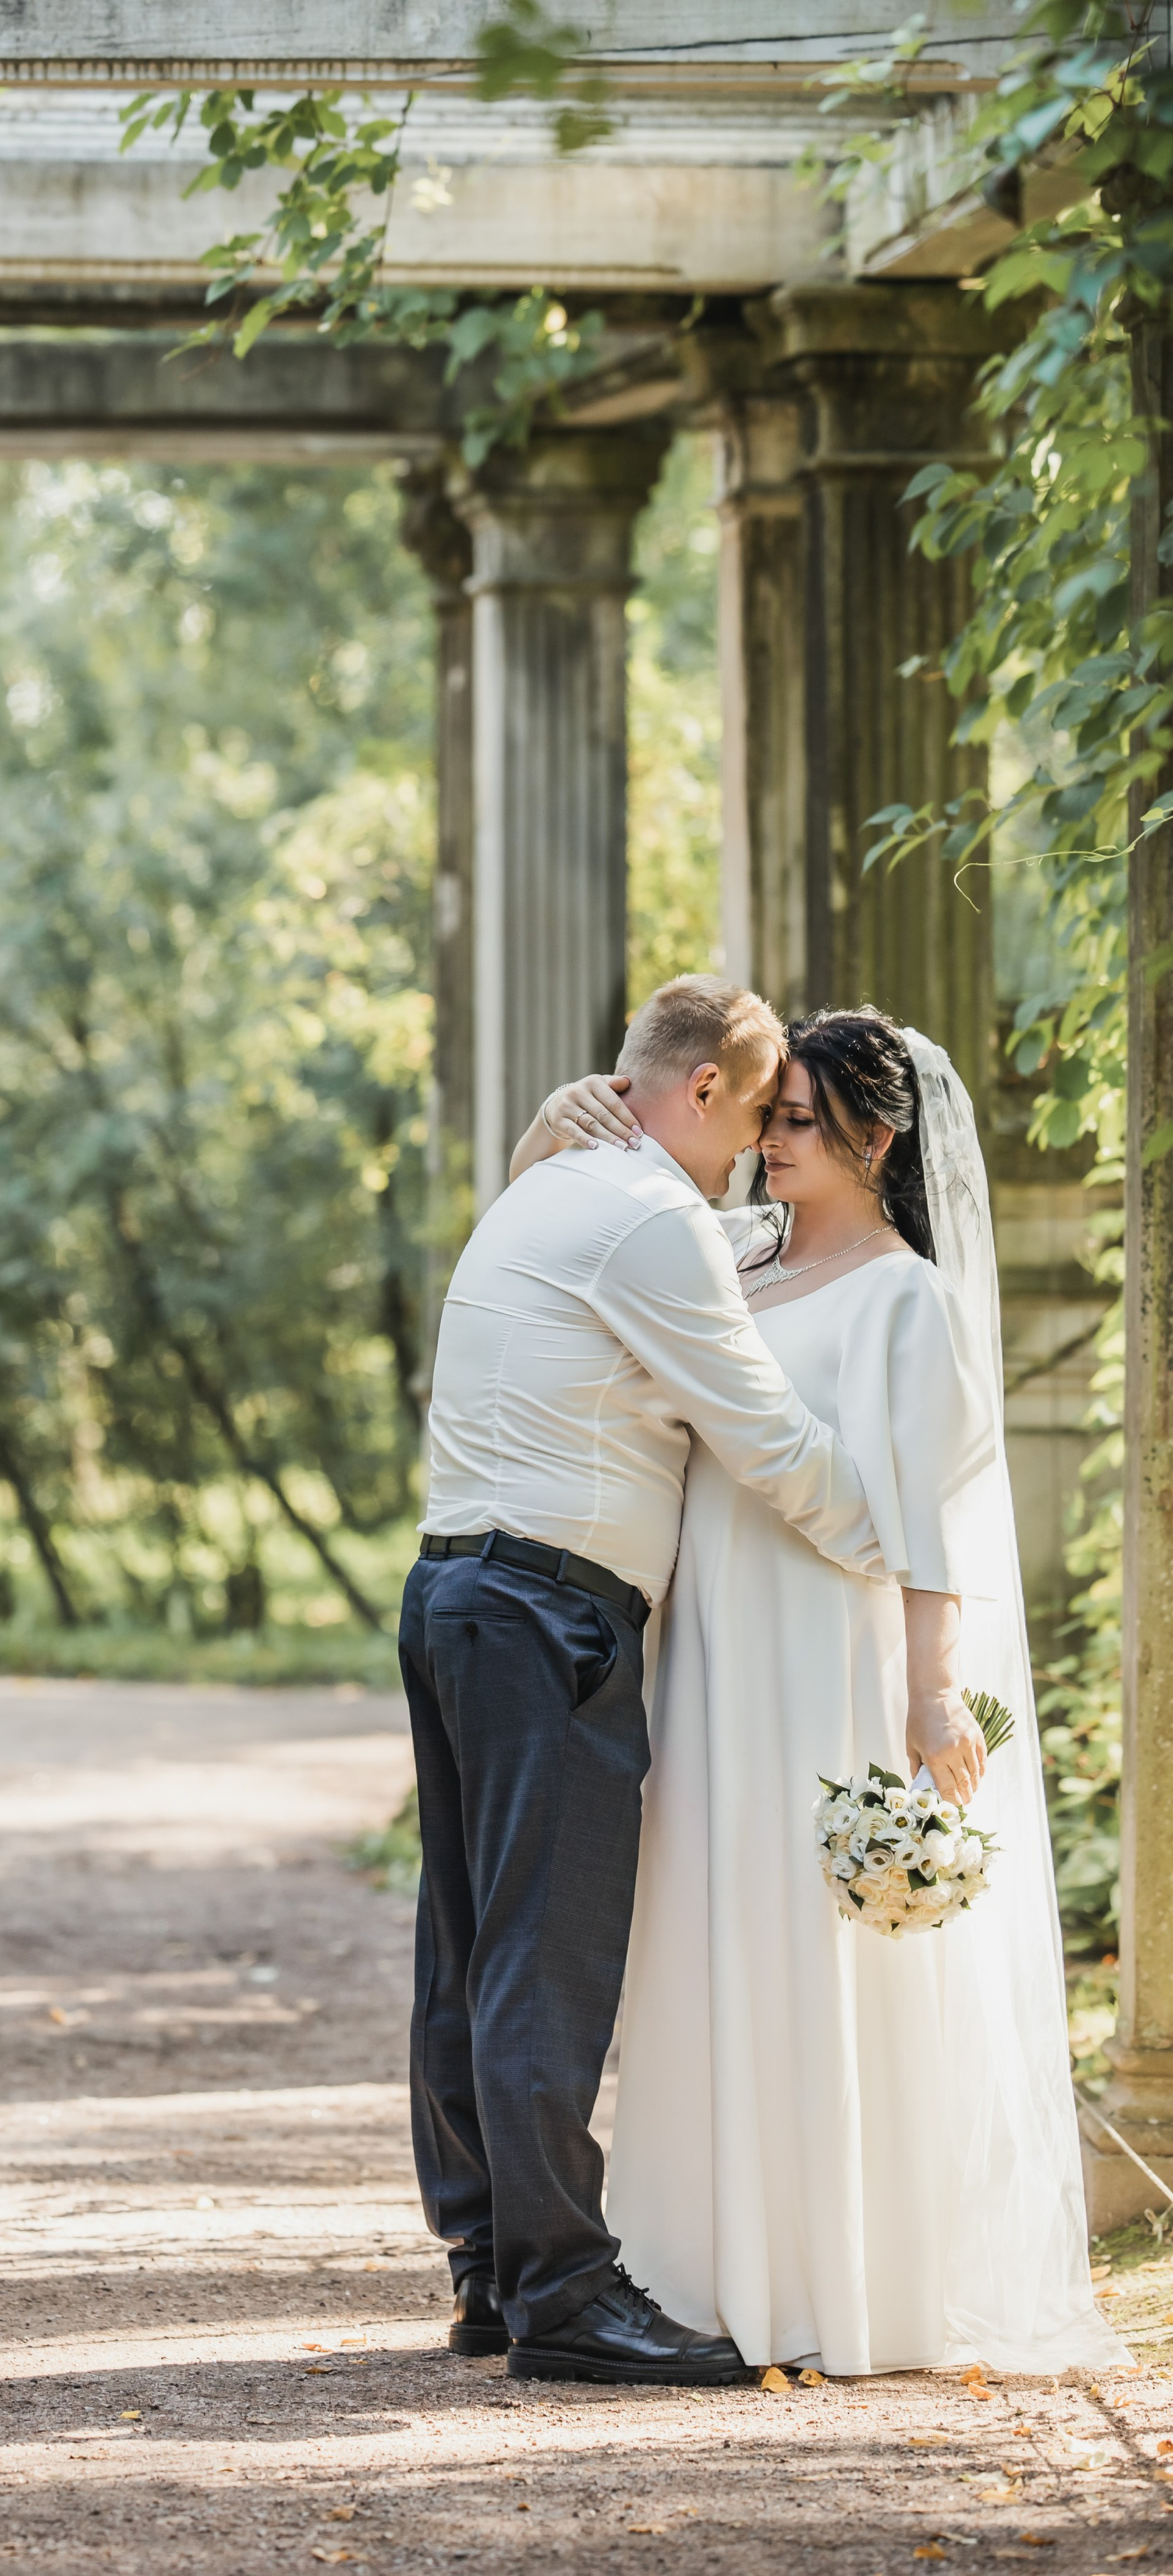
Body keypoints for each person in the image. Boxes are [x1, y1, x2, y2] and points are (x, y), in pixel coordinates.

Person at [539, 1009, 1122, 2374]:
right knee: (699, 1927)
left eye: (800, 1118)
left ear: (878, 1135)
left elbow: (929, 1520)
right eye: (771, 1112)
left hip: (824, 1665)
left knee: (811, 1953)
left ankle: (833, 2279)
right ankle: (694, 2268)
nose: (772, 1138)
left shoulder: (906, 1298)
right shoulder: (728, 1259)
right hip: (706, 1656)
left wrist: (933, 1700)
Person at [405, 974, 890, 2388]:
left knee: (470, 1947)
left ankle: (492, 2270)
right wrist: (902, 1545)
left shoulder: (559, 1188)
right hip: (547, 1609)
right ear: (696, 1095)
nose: (754, 1149)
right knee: (545, 1962)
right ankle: (566, 2295)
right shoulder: (651, 1221)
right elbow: (765, 1433)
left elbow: (748, 1241)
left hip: (454, 1591)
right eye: (751, 1115)